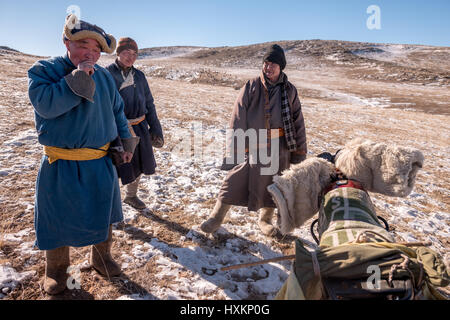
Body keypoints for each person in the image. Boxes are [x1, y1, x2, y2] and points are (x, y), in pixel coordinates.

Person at [28, 14, 138, 295]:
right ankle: (56, 270)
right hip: (60, 163)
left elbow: (116, 112)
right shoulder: (44, 71)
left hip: (100, 162)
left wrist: (126, 141)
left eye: (96, 49)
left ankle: (101, 259)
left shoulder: (103, 76)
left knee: (103, 212)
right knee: (57, 217)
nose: (90, 54)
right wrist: (75, 81)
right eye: (82, 46)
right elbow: (46, 106)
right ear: (66, 41)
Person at [200, 44, 307, 236]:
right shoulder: (251, 86)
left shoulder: (290, 91)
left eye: (273, 64)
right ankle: (216, 217)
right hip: (253, 143)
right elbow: (238, 118)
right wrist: (236, 149)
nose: (268, 67)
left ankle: (265, 220)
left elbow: (298, 122)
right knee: (234, 180)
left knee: (274, 186)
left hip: (281, 147)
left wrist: (299, 153)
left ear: (281, 67)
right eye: (266, 63)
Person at [106, 37, 164, 210]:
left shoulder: (139, 76)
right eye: (126, 53)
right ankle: (110, 202)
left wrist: (156, 128)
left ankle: (131, 196)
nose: (130, 57)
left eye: (134, 54)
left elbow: (149, 103)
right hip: (116, 129)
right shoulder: (107, 74)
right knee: (115, 166)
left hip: (140, 128)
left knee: (138, 164)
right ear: (118, 53)